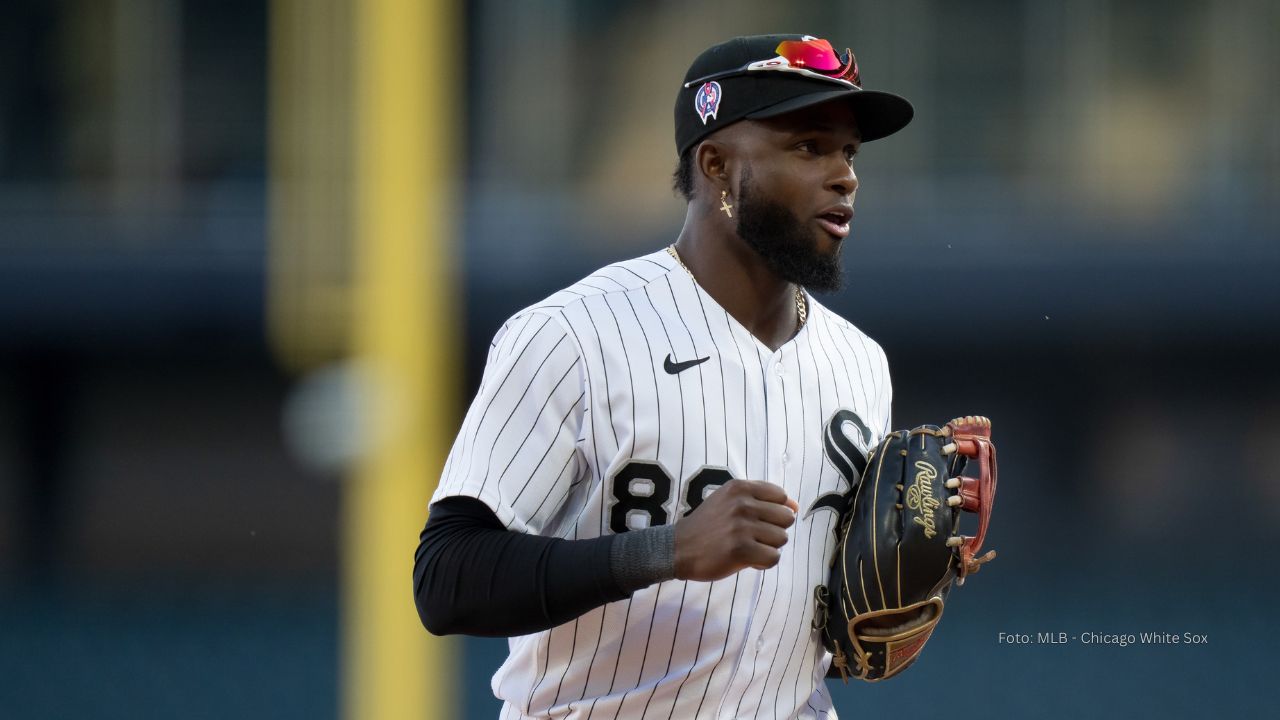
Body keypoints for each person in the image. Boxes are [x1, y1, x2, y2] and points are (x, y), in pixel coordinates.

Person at [414, 33, 914, 719]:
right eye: (808, 147)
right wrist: (666, 549)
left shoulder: (859, 364)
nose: (844, 175)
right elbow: (446, 580)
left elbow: (818, 626)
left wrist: (901, 585)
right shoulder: (574, 335)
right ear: (715, 165)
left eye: (848, 152)